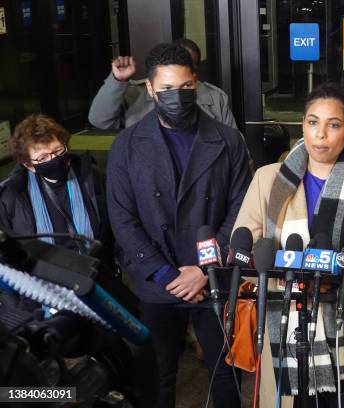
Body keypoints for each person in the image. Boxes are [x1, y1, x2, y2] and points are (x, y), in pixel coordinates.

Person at [234, 83, 344, 407]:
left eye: (333, 124)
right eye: (312, 122)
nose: (320, 135)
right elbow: (246, 246)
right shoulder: (267, 179)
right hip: (286, 321)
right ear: (302, 125)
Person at [106, 43, 251, 408]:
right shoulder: (126, 146)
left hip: (214, 279)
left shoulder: (228, 140)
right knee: (157, 376)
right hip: (157, 283)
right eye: (167, 89)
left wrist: (204, 269)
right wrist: (166, 274)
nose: (177, 96)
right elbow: (123, 218)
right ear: (151, 89)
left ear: (196, 83)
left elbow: (242, 210)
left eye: (185, 87)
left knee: (225, 371)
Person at [0, 114, 112, 254]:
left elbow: (114, 226)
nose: (54, 159)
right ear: (29, 165)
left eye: (58, 150)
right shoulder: (12, 195)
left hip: (92, 267)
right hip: (42, 273)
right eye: (43, 157)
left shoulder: (92, 176)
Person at [88, 38, 237, 131]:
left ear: (195, 72)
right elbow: (99, 120)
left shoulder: (214, 98)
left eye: (185, 63)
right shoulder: (136, 95)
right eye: (167, 88)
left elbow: (236, 148)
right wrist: (118, 80)